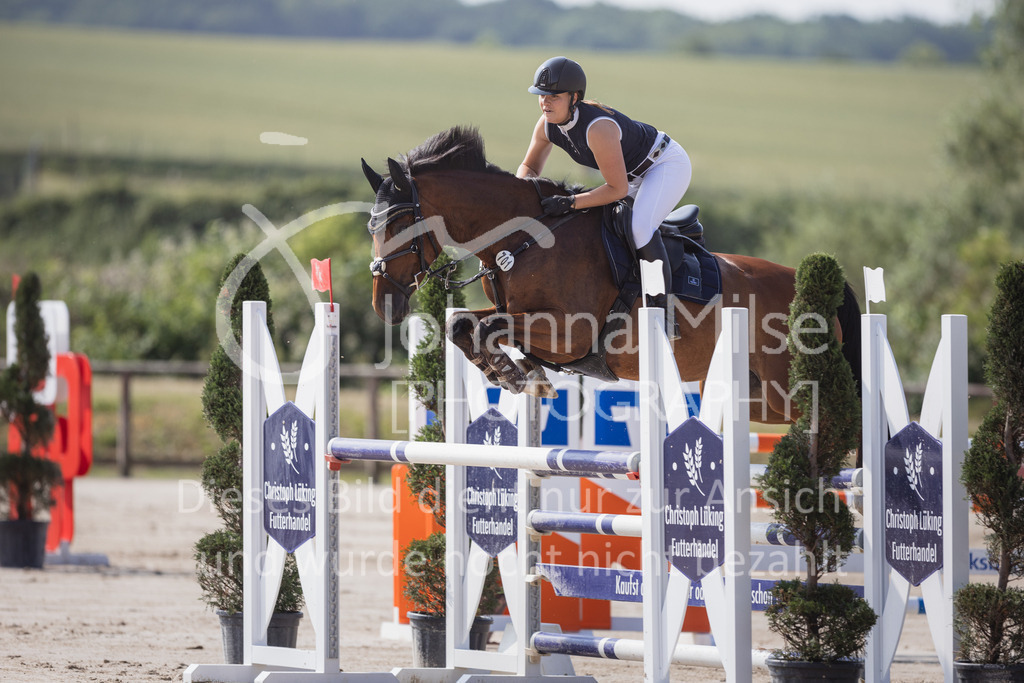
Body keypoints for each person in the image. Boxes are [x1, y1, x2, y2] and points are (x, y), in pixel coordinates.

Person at [516, 56, 692, 339]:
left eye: (554, 97)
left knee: (639, 227)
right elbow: (530, 167)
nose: (545, 103)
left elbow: (616, 189)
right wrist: (519, 196)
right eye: (542, 95)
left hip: (663, 165)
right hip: (628, 177)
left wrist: (571, 202)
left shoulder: (597, 128)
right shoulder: (546, 125)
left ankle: (663, 313)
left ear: (574, 98)